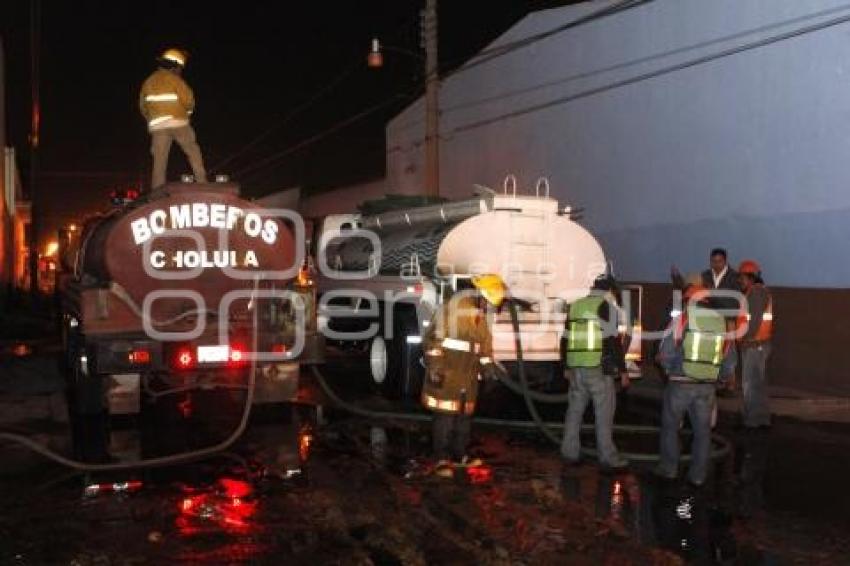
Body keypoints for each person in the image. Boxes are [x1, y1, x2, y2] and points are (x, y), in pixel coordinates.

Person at [421, 274, 502, 477]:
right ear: (480, 295)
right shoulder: (453, 308)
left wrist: (489, 369)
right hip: (448, 372)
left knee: (464, 417)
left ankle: (459, 455)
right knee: (446, 417)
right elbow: (433, 340)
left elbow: (483, 346)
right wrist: (436, 367)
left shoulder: (478, 316)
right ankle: (441, 458)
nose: (488, 307)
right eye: (488, 302)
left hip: (467, 375)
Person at [655, 284, 732, 487]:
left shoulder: (682, 319)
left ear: (689, 300)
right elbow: (729, 358)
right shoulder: (721, 322)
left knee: (671, 427)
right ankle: (698, 476)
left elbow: (665, 352)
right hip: (707, 386)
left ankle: (669, 469)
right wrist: (722, 379)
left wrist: (669, 371)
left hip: (680, 383)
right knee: (703, 432)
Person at [561, 274, 630, 470]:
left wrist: (565, 365)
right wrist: (623, 371)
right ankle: (608, 457)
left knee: (574, 412)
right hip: (597, 368)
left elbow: (564, 338)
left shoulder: (575, 306)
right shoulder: (606, 307)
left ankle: (569, 452)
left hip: (576, 368)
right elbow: (613, 342)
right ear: (608, 291)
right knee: (603, 414)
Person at [139, 48, 207, 189]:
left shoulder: (148, 82)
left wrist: (152, 119)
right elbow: (189, 100)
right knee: (193, 151)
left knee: (159, 161)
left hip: (158, 127)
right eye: (179, 68)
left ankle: (157, 190)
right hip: (179, 122)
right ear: (174, 66)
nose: (180, 71)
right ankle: (202, 182)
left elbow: (143, 106)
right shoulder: (175, 80)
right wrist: (187, 113)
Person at [736, 260, 773, 429]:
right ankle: (762, 419)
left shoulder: (756, 293)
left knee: (750, 384)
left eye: (742, 277)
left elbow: (754, 321)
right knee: (757, 384)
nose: (739, 281)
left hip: (753, 345)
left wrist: (743, 338)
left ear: (750, 277)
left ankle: (752, 421)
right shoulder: (758, 292)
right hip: (758, 344)